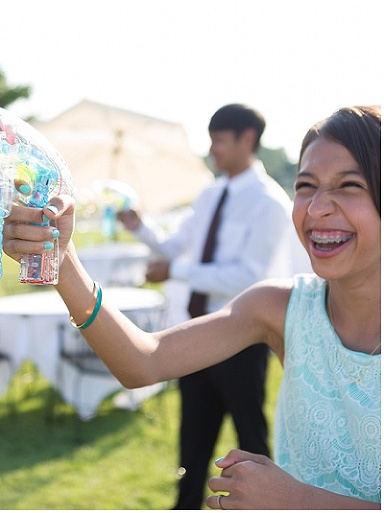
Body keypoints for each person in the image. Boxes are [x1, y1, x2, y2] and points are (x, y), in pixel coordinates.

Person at [1, 105, 380, 509]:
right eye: (306, 185)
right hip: (206, 331)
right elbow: (142, 362)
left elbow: (234, 272)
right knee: (193, 451)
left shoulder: (264, 201)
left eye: (349, 185)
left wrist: (293, 500)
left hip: (240, 359)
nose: (317, 207)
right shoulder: (277, 307)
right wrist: (63, 265)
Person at [116, 104, 304, 509]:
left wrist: (177, 270)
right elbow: (175, 246)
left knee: (251, 437)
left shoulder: (269, 203)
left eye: (219, 139)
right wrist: (140, 227)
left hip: (241, 341)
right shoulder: (210, 194)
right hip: (196, 334)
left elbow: (247, 277)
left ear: (247, 139)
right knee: (193, 442)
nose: (212, 149)